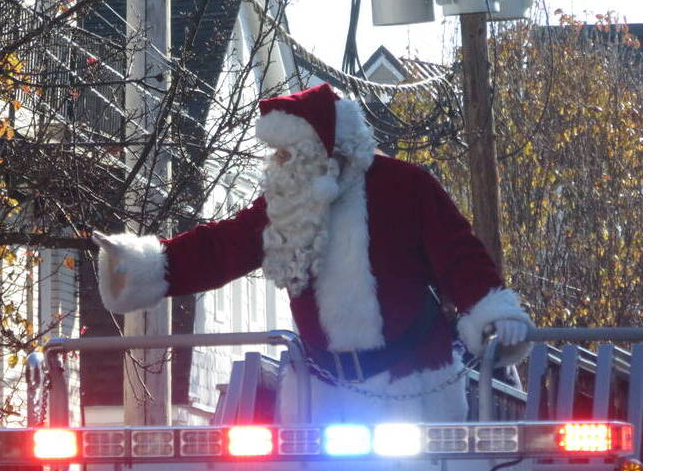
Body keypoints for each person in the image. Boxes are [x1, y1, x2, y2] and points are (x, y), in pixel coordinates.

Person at [92, 83, 531, 423]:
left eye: (288, 151)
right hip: (325, 392)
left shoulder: (405, 186)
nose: (280, 161)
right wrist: (146, 265)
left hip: (414, 385)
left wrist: (494, 311)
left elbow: (460, 256)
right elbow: (222, 248)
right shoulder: (288, 202)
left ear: (323, 148)